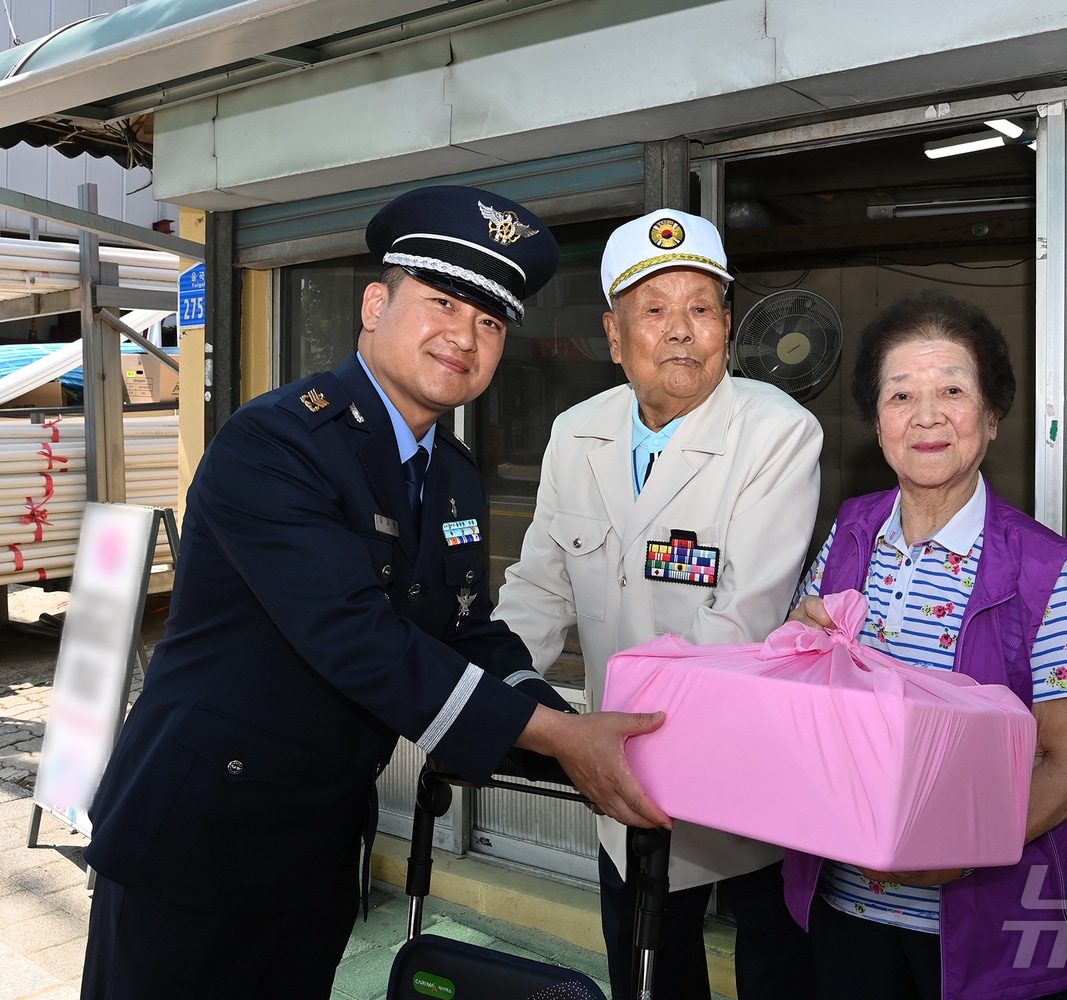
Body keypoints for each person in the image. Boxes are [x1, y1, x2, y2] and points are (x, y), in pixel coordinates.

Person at [80, 185, 670, 1000]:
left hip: (316, 847)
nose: (465, 336)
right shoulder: (277, 441)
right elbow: (356, 638)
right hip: (195, 842)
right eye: (444, 302)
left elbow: (463, 632)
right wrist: (556, 740)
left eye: (491, 322)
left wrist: (566, 727)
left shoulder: (452, 474)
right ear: (373, 305)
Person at [493, 208, 822, 999]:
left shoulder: (779, 433)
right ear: (614, 335)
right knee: (648, 977)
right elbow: (538, 588)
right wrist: (497, 700)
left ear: (728, 326)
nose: (682, 331)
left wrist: (605, 738)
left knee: (776, 975)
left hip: (745, 781)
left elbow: (741, 619)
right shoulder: (578, 433)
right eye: (655, 310)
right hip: (623, 793)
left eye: (701, 309)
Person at [782, 290, 1067, 1000]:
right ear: (877, 422)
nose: (926, 416)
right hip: (848, 909)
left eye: (952, 390)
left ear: (993, 415)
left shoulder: (1044, 570)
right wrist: (797, 646)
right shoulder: (850, 531)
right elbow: (808, 687)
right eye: (901, 395)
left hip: (992, 926)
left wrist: (964, 849)